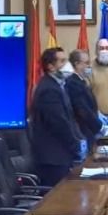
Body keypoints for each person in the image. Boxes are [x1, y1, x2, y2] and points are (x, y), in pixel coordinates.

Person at [30, 47, 87, 186]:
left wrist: (79, 139)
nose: (67, 65)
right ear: (50, 66)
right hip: (53, 158)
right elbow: (59, 123)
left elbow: (69, 118)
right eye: (62, 61)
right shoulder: (48, 89)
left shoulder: (58, 85)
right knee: (59, 196)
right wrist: (76, 146)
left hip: (60, 154)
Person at [65, 49, 103, 150]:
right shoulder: (73, 83)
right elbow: (82, 109)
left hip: (87, 130)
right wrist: (99, 126)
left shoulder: (81, 81)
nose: (89, 66)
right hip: (82, 131)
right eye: (86, 63)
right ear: (77, 64)